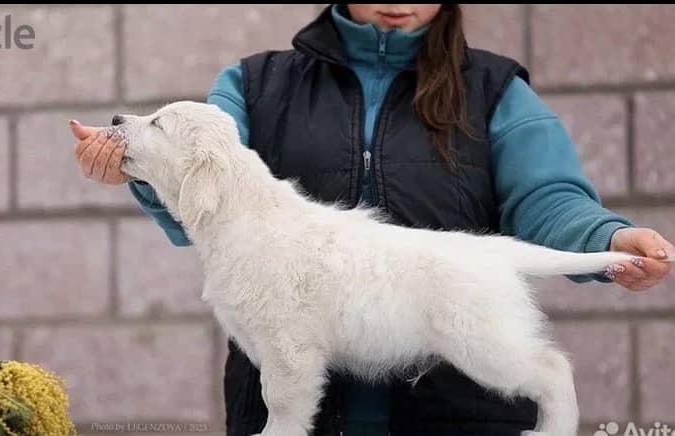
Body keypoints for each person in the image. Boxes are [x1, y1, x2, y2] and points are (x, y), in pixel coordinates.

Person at [70, 4, 674, 435]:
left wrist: (609, 240)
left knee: (497, 354)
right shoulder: (254, 83)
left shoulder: (495, 89)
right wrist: (135, 164)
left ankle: (554, 395)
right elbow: (201, 180)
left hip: (456, 414)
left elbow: (548, 200)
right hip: (296, 417)